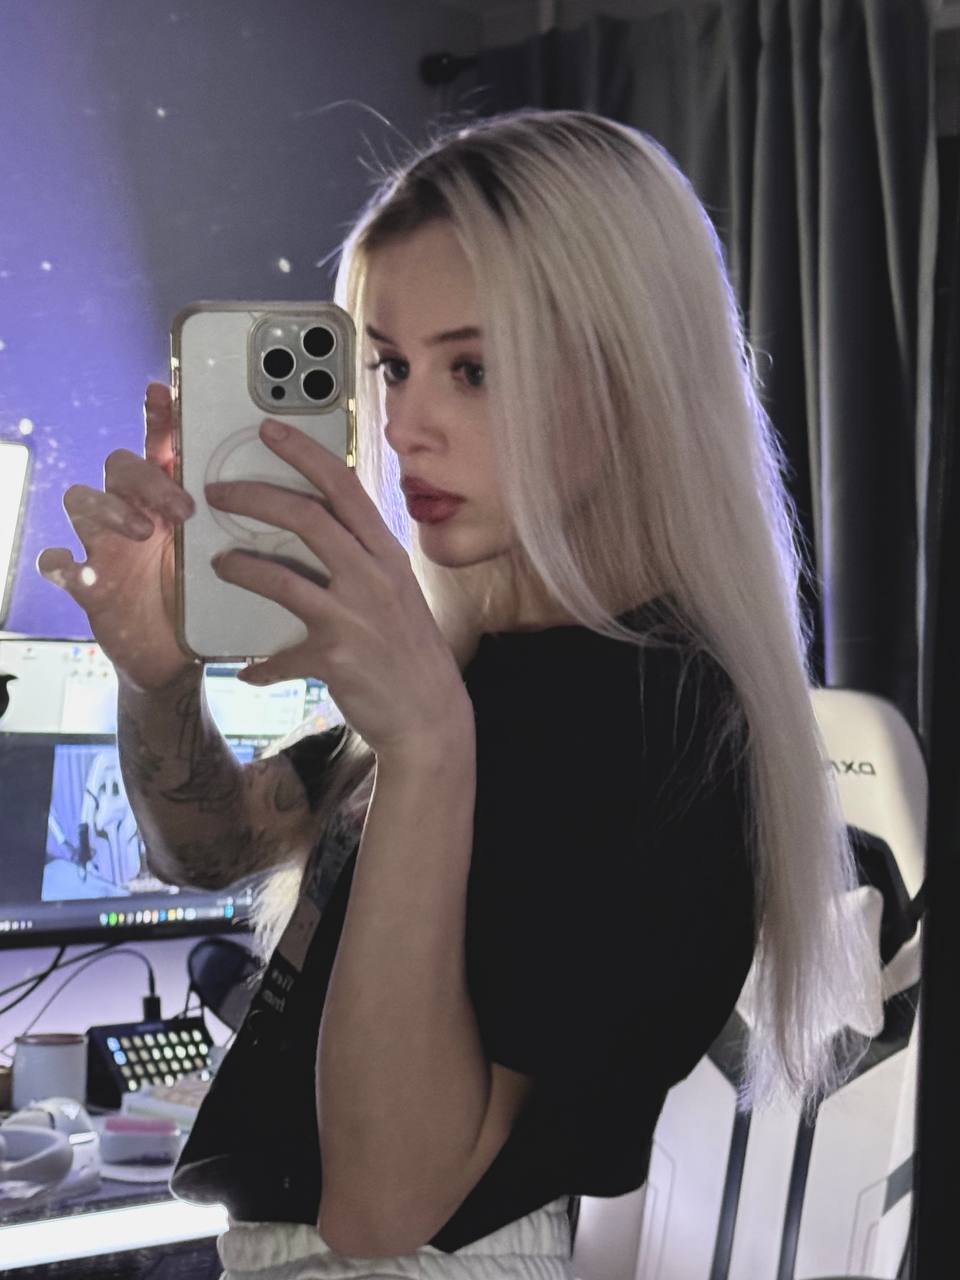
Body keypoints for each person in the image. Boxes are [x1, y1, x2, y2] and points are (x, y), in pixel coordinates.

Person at [38, 109, 880, 1279]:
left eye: (474, 369)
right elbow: (213, 843)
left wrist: (431, 748)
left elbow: (387, 1203)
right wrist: (157, 671)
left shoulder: (662, 725)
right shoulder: (474, 661)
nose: (405, 423)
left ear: (632, 378)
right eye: (391, 364)